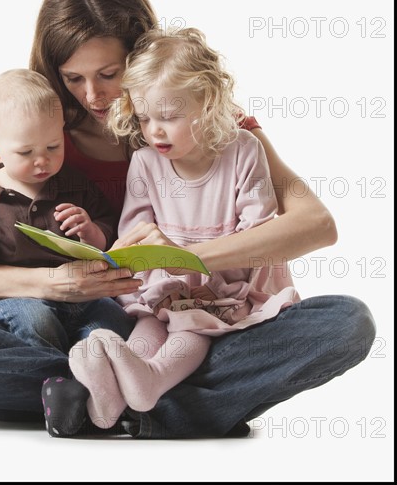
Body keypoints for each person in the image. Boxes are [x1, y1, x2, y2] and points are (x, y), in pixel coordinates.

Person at [0, 0, 376, 438]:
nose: (93, 95)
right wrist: (53, 283)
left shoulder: (205, 122)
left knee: (345, 322)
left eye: (110, 74)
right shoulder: (42, 139)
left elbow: (316, 225)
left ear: (142, 57)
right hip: (75, 328)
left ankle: (85, 404)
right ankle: (151, 405)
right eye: (73, 78)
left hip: (193, 319)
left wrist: (186, 257)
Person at [41, 27, 302, 435]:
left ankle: (146, 390)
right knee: (147, 329)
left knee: (190, 329)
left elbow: (258, 234)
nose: (155, 130)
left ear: (208, 102)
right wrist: (146, 276)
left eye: (168, 117)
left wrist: (195, 271)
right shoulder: (145, 163)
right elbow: (134, 236)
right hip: (163, 292)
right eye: (144, 118)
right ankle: (107, 405)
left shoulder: (243, 151)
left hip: (223, 294)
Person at [0, 68, 134, 352]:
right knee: (38, 322)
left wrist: (90, 230)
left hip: (83, 297)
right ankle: (50, 380)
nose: (42, 161)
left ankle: (89, 376)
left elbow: (107, 238)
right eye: (26, 152)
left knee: (113, 320)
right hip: (16, 298)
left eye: (53, 146)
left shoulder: (75, 185)